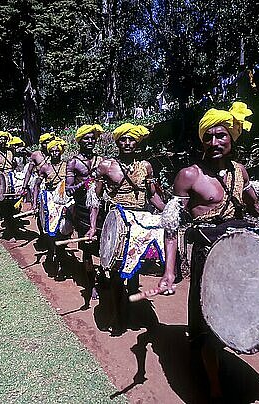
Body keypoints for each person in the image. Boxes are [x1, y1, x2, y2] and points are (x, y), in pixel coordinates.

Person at [157, 102, 259, 400]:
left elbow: (257, 207)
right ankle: (214, 387)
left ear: (232, 138)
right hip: (208, 257)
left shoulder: (240, 171)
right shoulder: (189, 175)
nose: (215, 142)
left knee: (241, 313)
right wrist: (168, 271)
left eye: (221, 136)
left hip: (241, 254)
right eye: (209, 137)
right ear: (202, 140)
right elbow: (171, 225)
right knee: (207, 324)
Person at [88, 123, 166, 335]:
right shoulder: (106, 166)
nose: (128, 143)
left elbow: (153, 195)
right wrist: (93, 226)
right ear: (117, 142)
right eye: (123, 139)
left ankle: (131, 308)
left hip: (140, 224)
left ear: (137, 142)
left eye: (132, 139)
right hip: (116, 221)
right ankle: (118, 315)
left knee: (133, 271)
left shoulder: (146, 167)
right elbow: (94, 197)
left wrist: (169, 212)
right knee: (114, 273)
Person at [65, 124, 105, 304]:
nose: (90, 141)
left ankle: (104, 276)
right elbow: (68, 190)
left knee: (104, 243)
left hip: (100, 208)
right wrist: (85, 184)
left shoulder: (102, 160)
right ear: (80, 141)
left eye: (92, 138)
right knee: (87, 247)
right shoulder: (73, 162)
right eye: (86, 139)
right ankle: (91, 285)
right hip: (82, 209)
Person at [33, 137, 73, 280]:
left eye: (58, 150)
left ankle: (61, 254)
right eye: (53, 151)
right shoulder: (45, 167)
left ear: (61, 152)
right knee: (52, 230)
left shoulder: (67, 165)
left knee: (65, 227)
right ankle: (53, 252)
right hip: (49, 200)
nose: (56, 153)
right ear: (49, 152)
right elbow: (37, 184)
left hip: (64, 199)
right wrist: (35, 202)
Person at [23, 132, 54, 202]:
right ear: (41, 144)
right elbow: (29, 171)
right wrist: (24, 186)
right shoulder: (36, 155)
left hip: (51, 181)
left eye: (49, 143)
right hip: (39, 181)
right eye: (45, 143)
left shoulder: (54, 153)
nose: (47, 145)